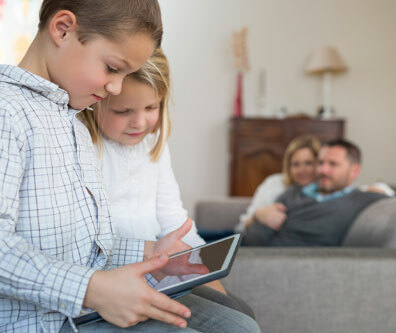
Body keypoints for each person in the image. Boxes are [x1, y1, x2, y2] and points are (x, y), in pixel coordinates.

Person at [0, 1, 260, 332]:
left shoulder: (74, 123)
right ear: (63, 29)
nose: (116, 88)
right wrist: (93, 288)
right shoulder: (7, 111)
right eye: (112, 68)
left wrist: (151, 252)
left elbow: (83, 250)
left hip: (84, 305)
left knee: (239, 326)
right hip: (43, 320)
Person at [80, 47, 254, 318]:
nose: (139, 122)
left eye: (151, 107)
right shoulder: (88, 147)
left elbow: (173, 219)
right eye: (123, 110)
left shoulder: (153, 143)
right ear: (97, 101)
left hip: (159, 264)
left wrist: (201, 264)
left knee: (238, 308)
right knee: (231, 318)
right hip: (115, 273)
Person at [243, 139, 396, 246]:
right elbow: (255, 233)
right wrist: (258, 217)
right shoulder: (295, 191)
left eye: (333, 164)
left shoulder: (359, 200)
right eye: (321, 163)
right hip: (245, 246)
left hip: (274, 261)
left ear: (354, 171)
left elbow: (391, 201)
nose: (323, 170)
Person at [235, 134, 321, 233]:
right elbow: (241, 227)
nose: (302, 170)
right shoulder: (273, 183)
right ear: (288, 166)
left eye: (308, 163)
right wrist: (258, 215)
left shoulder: (326, 192)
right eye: (296, 164)